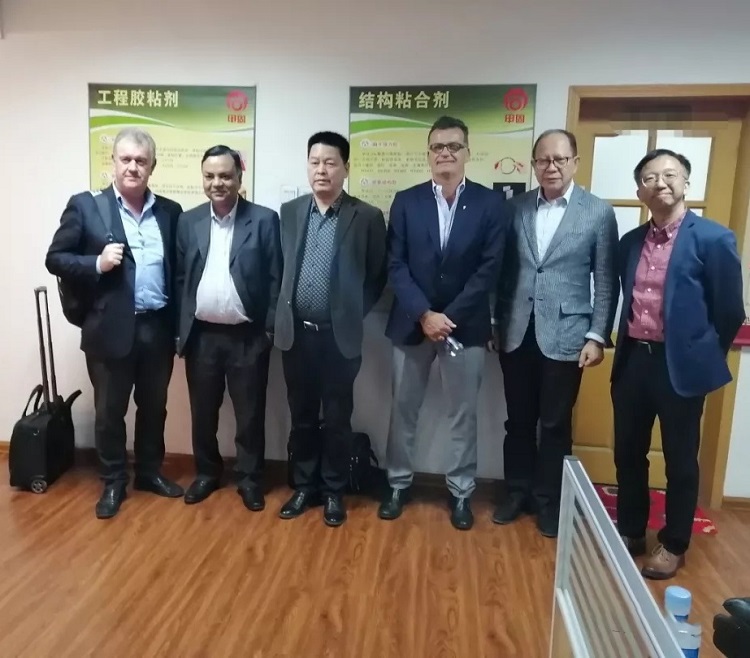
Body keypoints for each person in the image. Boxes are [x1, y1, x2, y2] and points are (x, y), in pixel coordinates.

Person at [612, 148, 745, 579]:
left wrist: (701, 353)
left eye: (670, 174)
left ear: (686, 182)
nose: (660, 183)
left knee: (680, 460)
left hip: (680, 368)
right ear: (640, 191)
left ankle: (674, 543)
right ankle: (631, 530)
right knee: (628, 452)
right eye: (650, 177)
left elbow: (729, 311)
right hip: (634, 361)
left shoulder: (714, 239)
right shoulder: (630, 243)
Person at [378, 115, 509, 530]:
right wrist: (424, 314)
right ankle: (397, 484)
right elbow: (395, 265)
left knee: (463, 414)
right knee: (403, 410)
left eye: (454, 146)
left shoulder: (490, 204)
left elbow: (489, 269)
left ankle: (461, 491)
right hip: (411, 323)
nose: (445, 153)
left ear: (468, 152)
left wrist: (447, 317)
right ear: (428, 154)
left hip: (464, 326)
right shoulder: (406, 201)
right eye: (438, 147)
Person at [45, 127, 184, 519]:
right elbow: (55, 258)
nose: (133, 167)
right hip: (108, 329)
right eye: (126, 159)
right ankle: (113, 481)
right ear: (113, 162)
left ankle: (149, 473)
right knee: (109, 412)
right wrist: (96, 263)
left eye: (141, 160)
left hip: (157, 327)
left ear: (152, 166)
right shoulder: (87, 206)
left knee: (154, 408)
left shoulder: (170, 211)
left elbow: (177, 271)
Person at [491, 129, 619, 538]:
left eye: (560, 159)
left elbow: (606, 279)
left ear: (575, 163)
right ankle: (517, 492)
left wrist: (597, 335)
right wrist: (494, 321)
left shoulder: (597, 212)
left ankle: (550, 502)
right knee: (518, 421)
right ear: (533, 165)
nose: (551, 166)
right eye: (543, 159)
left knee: (555, 424)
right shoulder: (515, 208)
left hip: (567, 334)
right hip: (516, 330)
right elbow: (501, 271)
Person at [274, 131, 387, 527]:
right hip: (296, 336)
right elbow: (281, 268)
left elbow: (377, 276)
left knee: (338, 418)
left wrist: (351, 313)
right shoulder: (290, 212)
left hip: (340, 338)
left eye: (330, 162)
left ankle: (334, 490)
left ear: (346, 168)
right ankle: (305, 486)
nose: (321, 170)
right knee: (302, 415)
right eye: (315, 162)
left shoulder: (366, 217)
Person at [175, 145, 282, 510]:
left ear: (239, 177)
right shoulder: (188, 221)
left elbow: (275, 279)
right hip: (202, 337)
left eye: (225, 175)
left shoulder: (264, 220)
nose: (217, 183)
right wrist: (180, 332)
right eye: (210, 176)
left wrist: (268, 332)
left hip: (247, 337)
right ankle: (207, 473)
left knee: (250, 415)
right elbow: (180, 279)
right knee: (203, 413)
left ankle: (250, 479)